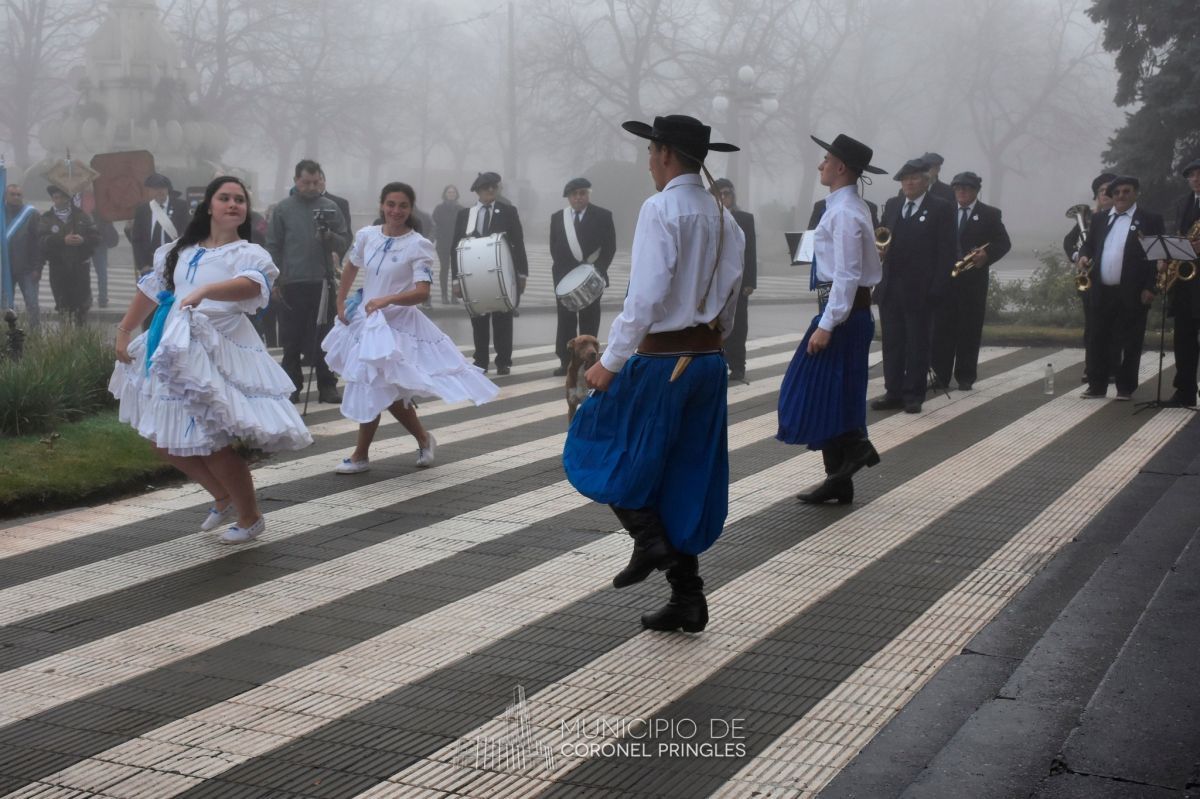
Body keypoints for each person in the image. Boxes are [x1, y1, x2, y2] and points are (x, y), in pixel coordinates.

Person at [563, 114, 745, 634]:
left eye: (650, 152)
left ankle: (650, 543)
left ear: (664, 153)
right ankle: (686, 595)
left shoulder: (661, 207)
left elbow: (643, 297)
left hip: (662, 362)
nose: (648, 161)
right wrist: (713, 339)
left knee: (596, 443)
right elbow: (730, 297)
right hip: (707, 362)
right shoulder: (723, 214)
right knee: (682, 476)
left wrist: (609, 361)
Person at [110, 176, 312, 544]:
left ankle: (250, 517)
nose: (233, 204)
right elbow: (152, 290)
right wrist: (125, 330)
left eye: (240, 199)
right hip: (173, 348)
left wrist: (206, 290)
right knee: (162, 439)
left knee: (210, 441)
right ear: (209, 205)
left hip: (217, 350)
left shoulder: (249, 254)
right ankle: (221, 497)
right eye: (225, 198)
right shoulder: (179, 251)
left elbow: (253, 286)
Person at [323, 182, 498, 474]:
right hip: (367, 321)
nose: (396, 211)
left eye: (403, 206)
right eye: (391, 204)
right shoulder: (367, 235)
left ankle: (361, 454)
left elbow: (422, 292)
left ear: (410, 209)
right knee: (380, 387)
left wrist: (387, 299)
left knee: (377, 384)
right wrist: (341, 303)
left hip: (399, 324)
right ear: (382, 205)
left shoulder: (418, 244)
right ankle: (418, 439)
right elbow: (351, 266)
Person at [779, 134, 886, 505]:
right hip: (842, 311)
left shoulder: (844, 212)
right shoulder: (846, 207)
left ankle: (856, 449)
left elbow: (846, 274)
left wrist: (827, 324)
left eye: (826, 159)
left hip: (842, 313)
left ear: (841, 167)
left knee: (807, 388)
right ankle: (838, 479)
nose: (821, 165)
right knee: (831, 393)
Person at [871, 160, 954, 413]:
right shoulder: (894, 205)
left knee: (917, 344)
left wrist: (938, 287)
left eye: (914, 178)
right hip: (891, 287)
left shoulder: (941, 208)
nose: (908, 183)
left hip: (921, 289)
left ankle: (913, 394)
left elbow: (947, 252)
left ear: (926, 181)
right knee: (892, 343)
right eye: (904, 179)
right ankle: (893, 391)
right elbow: (883, 237)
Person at [266, 159, 348, 403]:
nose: (311, 187)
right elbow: (273, 246)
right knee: (291, 338)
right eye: (305, 182)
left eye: (315, 182)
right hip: (292, 281)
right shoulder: (282, 209)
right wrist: (275, 279)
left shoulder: (330, 207)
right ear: (296, 181)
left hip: (322, 282)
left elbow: (344, 241)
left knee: (324, 335)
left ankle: (327, 385)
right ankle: (292, 386)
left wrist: (329, 236)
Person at [1076, 176, 1164, 400]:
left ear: (1135, 193)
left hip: (1132, 291)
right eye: (1116, 193)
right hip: (1102, 289)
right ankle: (1097, 385)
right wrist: (1084, 255)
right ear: (1111, 196)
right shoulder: (1100, 218)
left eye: (1126, 192)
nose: (1121, 196)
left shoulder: (1149, 219)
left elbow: (1157, 257)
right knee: (1098, 339)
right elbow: (1090, 243)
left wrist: (1151, 287)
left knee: (1130, 340)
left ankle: (1125, 387)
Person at [930, 171, 1012, 390]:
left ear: (976, 191)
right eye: (957, 189)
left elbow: (1003, 243)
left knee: (969, 329)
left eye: (966, 189)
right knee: (941, 329)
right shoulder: (944, 211)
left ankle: (966, 377)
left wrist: (987, 255)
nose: (962, 192)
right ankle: (940, 376)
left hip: (973, 281)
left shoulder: (990, 214)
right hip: (946, 279)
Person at [450, 172, 529, 375]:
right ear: (477, 191)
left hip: (502, 274)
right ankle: (481, 361)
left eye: (494, 187)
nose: (491, 190)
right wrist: (455, 279)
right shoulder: (465, 215)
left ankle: (503, 361)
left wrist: (522, 275)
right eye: (486, 188)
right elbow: (455, 248)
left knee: (503, 317)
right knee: (479, 318)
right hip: (474, 276)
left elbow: (518, 244)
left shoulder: (508, 211)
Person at [549, 177, 617, 376]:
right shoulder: (557, 217)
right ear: (568, 197)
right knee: (566, 320)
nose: (578, 197)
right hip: (565, 278)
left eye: (582, 193)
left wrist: (597, 270)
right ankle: (566, 360)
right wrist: (568, 276)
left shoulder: (603, 215)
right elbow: (554, 247)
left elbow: (610, 247)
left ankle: (590, 360)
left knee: (590, 319)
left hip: (592, 277)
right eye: (574, 194)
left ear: (588, 194)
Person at [1065, 172, 1117, 385]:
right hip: (1089, 279)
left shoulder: (1118, 217)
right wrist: (1079, 256)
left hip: (1111, 280)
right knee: (1092, 327)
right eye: (1101, 191)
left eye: (1108, 191)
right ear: (1096, 195)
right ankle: (1091, 368)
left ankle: (1113, 368)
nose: (1104, 194)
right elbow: (1069, 243)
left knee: (1113, 327)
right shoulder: (1087, 217)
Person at [711, 178, 756, 382]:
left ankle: (738, 366)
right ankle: (718, 361)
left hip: (738, 280)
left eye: (727, 193)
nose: (723, 198)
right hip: (714, 281)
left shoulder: (744, 218)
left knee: (738, 325)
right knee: (713, 324)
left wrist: (749, 282)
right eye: (719, 194)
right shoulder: (708, 217)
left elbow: (751, 251)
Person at [38, 185, 99, 325]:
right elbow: (41, 241)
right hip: (58, 268)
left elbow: (96, 238)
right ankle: (64, 340)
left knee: (81, 306)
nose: (59, 200)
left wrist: (83, 240)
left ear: (68, 198)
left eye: (62, 197)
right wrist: (62, 240)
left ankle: (80, 338)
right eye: (55, 197)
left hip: (80, 268)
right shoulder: (46, 218)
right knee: (62, 306)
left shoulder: (82, 216)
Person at [1166, 158, 1200, 407]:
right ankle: (1184, 391)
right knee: (1183, 340)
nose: (1196, 179)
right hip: (1186, 284)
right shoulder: (1182, 204)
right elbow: (1179, 235)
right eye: (1192, 175)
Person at [131, 174, 191, 278]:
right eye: (156, 188)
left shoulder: (181, 206)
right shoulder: (142, 210)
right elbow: (137, 240)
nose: (160, 191)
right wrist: (142, 265)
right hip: (151, 264)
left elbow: (189, 232)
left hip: (176, 261)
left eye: (163, 188)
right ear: (149, 191)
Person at [4, 184, 42, 327]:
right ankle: (7, 334)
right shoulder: (1, 212)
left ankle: (35, 336)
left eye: (19, 194)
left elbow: (39, 243)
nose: (16, 197)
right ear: (5, 196)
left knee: (32, 305)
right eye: (12, 194)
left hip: (27, 268)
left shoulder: (31, 214)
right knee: (6, 306)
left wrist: (37, 267)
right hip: (6, 268)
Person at [431, 185, 462, 305]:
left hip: (457, 243)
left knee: (456, 270)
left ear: (456, 194)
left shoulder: (461, 209)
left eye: (453, 192)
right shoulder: (439, 209)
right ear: (445, 194)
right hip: (443, 243)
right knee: (444, 268)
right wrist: (434, 238)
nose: (451, 194)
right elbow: (435, 225)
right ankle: (444, 295)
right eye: (449, 192)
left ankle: (455, 296)